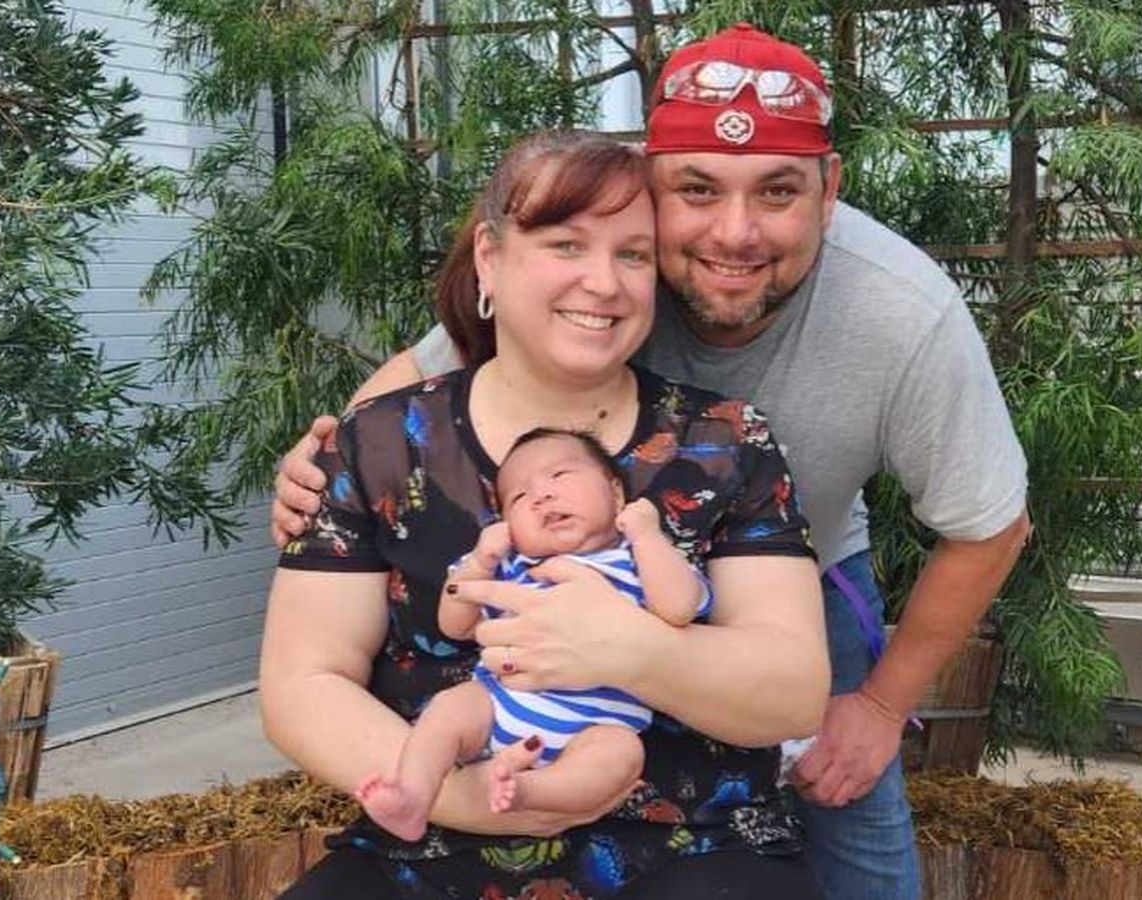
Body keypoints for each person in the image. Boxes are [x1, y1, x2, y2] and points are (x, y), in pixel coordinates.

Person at [272, 24, 1032, 900]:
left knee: (852, 816)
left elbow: (988, 527)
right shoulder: (608, 251)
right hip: (470, 771)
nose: (735, 232)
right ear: (652, 182)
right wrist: (326, 465)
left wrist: (879, 706)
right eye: (698, 189)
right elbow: (439, 369)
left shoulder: (898, 318)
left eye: (778, 190)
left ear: (828, 192)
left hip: (796, 562)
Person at [263, 130, 830, 899]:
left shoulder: (724, 443)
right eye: (566, 245)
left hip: (692, 846)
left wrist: (629, 650)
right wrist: (463, 799)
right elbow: (303, 681)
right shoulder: (379, 442)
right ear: (490, 258)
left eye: (633, 255)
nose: (604, 283)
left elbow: (791, 689)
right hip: (430, 842)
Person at [356, 427, 718, 842]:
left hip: (597, 725)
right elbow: (454, 625)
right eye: (519, 497)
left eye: (560, 475)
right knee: (449, 708)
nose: (541, 496)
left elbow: (678, 607)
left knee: (621, 755)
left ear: (616, 494)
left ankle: (524, 790)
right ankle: (413, 795)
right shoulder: (512, 567)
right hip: (499, 706)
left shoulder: (639, 561)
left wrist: (647, 535)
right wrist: (480, 561)